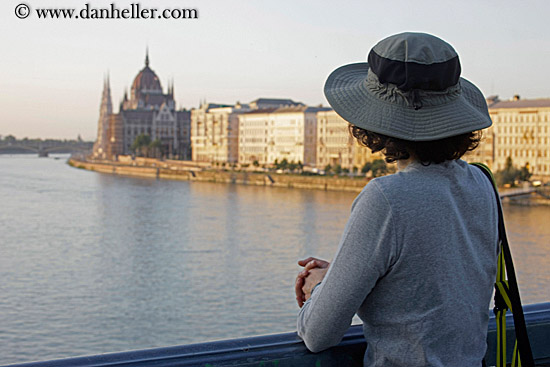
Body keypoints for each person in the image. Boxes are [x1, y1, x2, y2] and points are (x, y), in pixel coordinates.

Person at [294, 32, 499, 367]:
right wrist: (346, 276)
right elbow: (434, 290)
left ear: (375, 121)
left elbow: (319, 334)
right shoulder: (481, 183)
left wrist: (321, 289)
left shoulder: (387, 198)